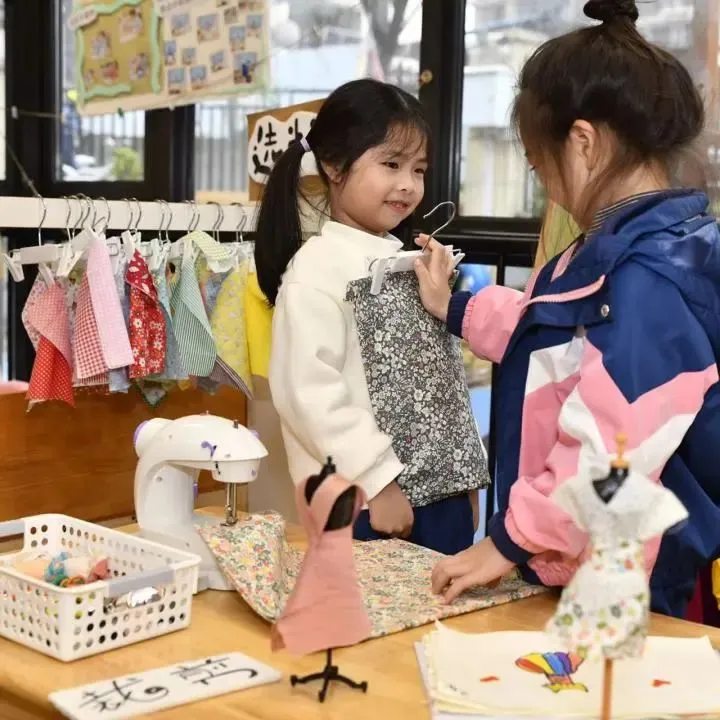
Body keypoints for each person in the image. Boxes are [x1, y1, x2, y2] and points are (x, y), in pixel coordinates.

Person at [415, 0, 720, 617]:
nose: (546, 187)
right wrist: (458, 308)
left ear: (583, 144)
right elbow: (547, 326)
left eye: (539, 166)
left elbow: (611, 446)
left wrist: (508, 540)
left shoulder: (651, 276)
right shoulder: (619, 248)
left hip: (637, 577)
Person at [255, 79, 481, 554]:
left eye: (419, 169)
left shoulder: (410, 262)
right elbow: (309, 395)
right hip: (367, 501)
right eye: (391, 164)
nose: (408, 184)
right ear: (334, 165)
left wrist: (465, 476)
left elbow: (441, 382)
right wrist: (377, 482)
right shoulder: (315, 270)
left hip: (441, 495)